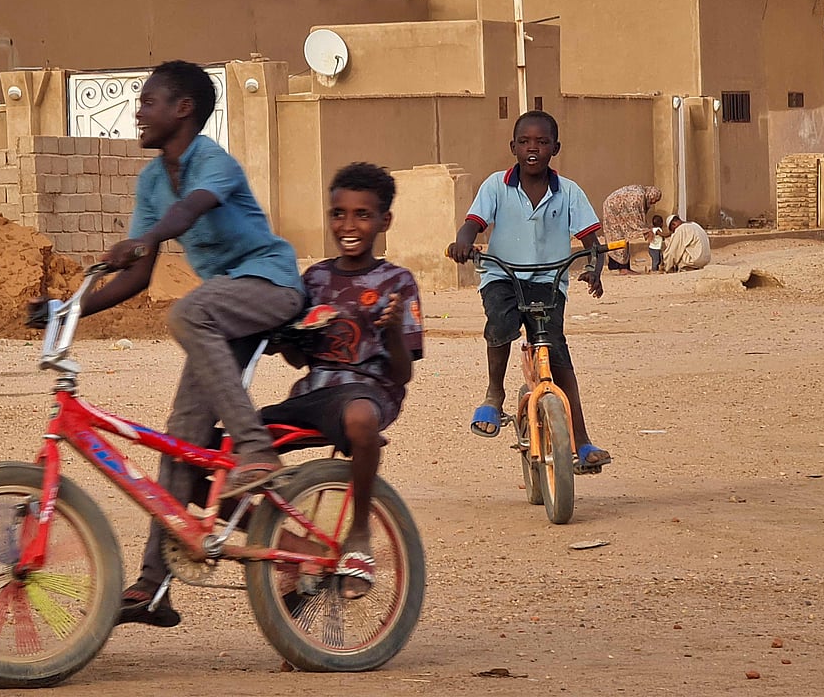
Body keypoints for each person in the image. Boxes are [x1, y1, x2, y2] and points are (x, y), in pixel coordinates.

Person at [71, 60, 305, 626]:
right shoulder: (152, 179)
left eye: (148, 102)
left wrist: (145, 236)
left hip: (269, 286)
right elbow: (137, 275)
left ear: (183, 109)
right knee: (182, 439)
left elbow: (190, 211)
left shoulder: (212, 162)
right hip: (224, 307)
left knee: (187, 311)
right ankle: (155, 586)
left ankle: (255, 450)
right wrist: (69, 309)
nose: (137, 112)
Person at [260, 162, 423, 602]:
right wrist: (286, 330)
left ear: (384, 221)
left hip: (370, 391)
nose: (347, 225)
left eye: (362, 215)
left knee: (359, 416)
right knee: (221, 454)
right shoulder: (313, 279)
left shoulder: (397, 283)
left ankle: (358, 534)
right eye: (338, 214)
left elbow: (402, 373)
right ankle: (294, 547)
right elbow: (298, 360)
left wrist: (390, 328)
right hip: (314, 394)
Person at [447, 110, 611, 471]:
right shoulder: (495, 186)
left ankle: (582, 441)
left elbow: (591, 242)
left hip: (549, 281)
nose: (532, 148)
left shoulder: (568, 192)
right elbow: (471, 225)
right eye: (524, 142)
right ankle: (494, 394)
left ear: (556, 147)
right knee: (502, 325)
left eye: (541, 142)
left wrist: (593, 269)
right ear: (513, 147)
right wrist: (462, 244)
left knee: (558, 353)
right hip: (502, 276)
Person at [601, 184, 662, 274]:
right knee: (618, 236)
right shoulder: (639, 197)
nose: (654, 202)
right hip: (613, 208)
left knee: (622, 236)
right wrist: (646, 231)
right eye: (654, 199)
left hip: (615, 207)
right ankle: (623, 269)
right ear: (651, 194)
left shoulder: (641, 193)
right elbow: (636, 218)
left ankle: (623, 267)